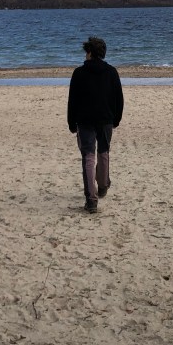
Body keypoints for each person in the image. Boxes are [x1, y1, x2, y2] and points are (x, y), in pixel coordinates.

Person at [67, 36, 124, 213]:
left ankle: (91, 200)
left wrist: (71, 123)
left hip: (85, 120)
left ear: (90, 53)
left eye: (86, 52)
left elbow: (72, 101)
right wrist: (116, 119)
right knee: (103, 152)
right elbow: (119, 99)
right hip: (106, 119)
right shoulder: (112, 72)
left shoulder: (79, 73)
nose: (85, 55)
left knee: (88, 157)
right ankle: (103, 185)